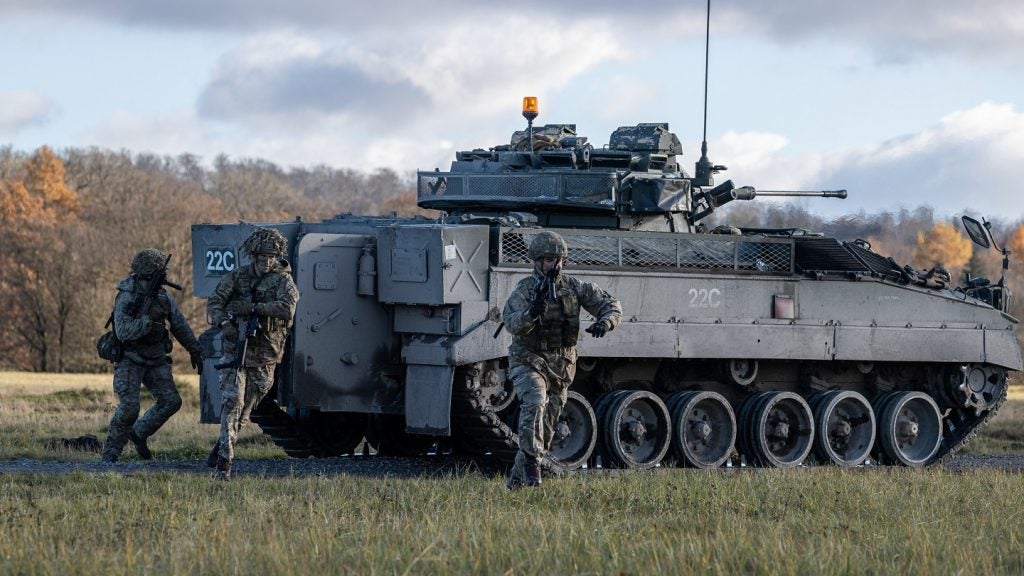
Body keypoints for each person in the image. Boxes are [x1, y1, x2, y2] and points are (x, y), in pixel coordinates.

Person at [502, 231, 621, 489]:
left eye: (558, 260)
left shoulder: (574, 287)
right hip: (529, 359)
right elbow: (511, 322)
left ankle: (516, 483)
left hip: (561, 366)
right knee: (535, 400)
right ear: (537, 261)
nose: (555, 266)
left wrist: (605, 322)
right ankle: (532, 465)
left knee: (545, 431)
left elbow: (610, 304)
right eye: (548, 260)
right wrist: (531, 313)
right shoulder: (525, 290)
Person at [206, 228, 299, 480]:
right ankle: (224, 464)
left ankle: (223, 444)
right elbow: (215, 302)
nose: (266, 262)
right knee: (232, 402)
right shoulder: (238, 276)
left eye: (271, 257)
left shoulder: (283, 281)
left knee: (246, 410)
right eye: (262, 257)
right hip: (235, 351)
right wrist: (224, 324)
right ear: (254, 256)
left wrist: (254, 308)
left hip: (266, 355)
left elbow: (287, 309)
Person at [101, 248, 203, 463]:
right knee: (129, 408)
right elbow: (123, 332)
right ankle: (110, 454)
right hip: (130, 358)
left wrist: (194, 350)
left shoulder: (163, 297)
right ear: (141, 274)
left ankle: (139, 433)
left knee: (171, 401)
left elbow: (179, 325)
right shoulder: (127, 295)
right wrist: (147, 321)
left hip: (155, 358)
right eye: (151, 277)